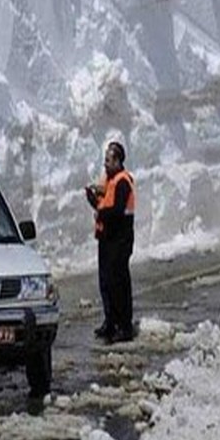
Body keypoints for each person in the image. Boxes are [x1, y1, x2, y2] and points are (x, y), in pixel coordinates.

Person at [84, 141, 136, 343]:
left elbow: (115, 210)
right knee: (105, 282)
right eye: (104, 160)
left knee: (119, 283)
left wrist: (99, 210)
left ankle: (124, 325)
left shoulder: (123, 181)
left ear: (118, 160)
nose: (105, 164)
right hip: (106, 238)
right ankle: (110, 321)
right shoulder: (109, 180)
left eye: (108, 160)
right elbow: (105, 204)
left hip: (120, 239)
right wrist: (93, 200)